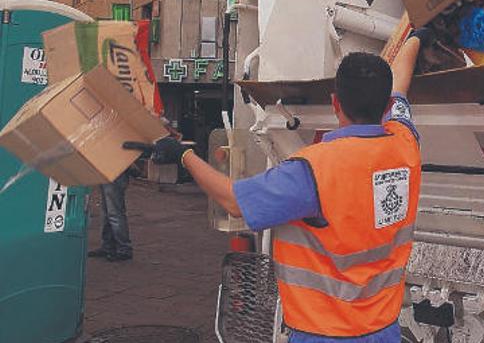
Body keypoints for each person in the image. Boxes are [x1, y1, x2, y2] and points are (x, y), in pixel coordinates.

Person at [144, 31, 431, 342]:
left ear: (335, 103)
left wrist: (183, 154)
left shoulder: (312, 170)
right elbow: (400, 86)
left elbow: (234, 201)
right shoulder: (404, 146)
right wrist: (415, 38)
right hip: (383, 331)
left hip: (325, 335)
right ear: (387, 104)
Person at [88, 164, 137, 262]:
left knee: (114, 213)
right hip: (108, 170)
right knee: (108, 212)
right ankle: (108, 246)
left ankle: (123, 249)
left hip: (115, 171)